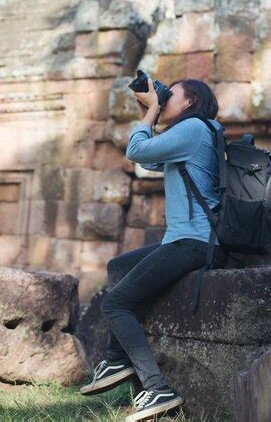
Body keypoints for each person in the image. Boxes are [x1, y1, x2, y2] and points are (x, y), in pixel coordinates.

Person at [79, 77, 227, 421]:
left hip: (194, 242)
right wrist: (151, 110)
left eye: (170, 93)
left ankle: (157, 388)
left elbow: (135, 151)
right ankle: (118, 360)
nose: (164, 97)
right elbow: (150, 160)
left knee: (116, 304)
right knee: (119, 267)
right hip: (186, 239)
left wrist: (153, 111)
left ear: (190, 101)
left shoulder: (194, 128)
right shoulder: (197, 131)